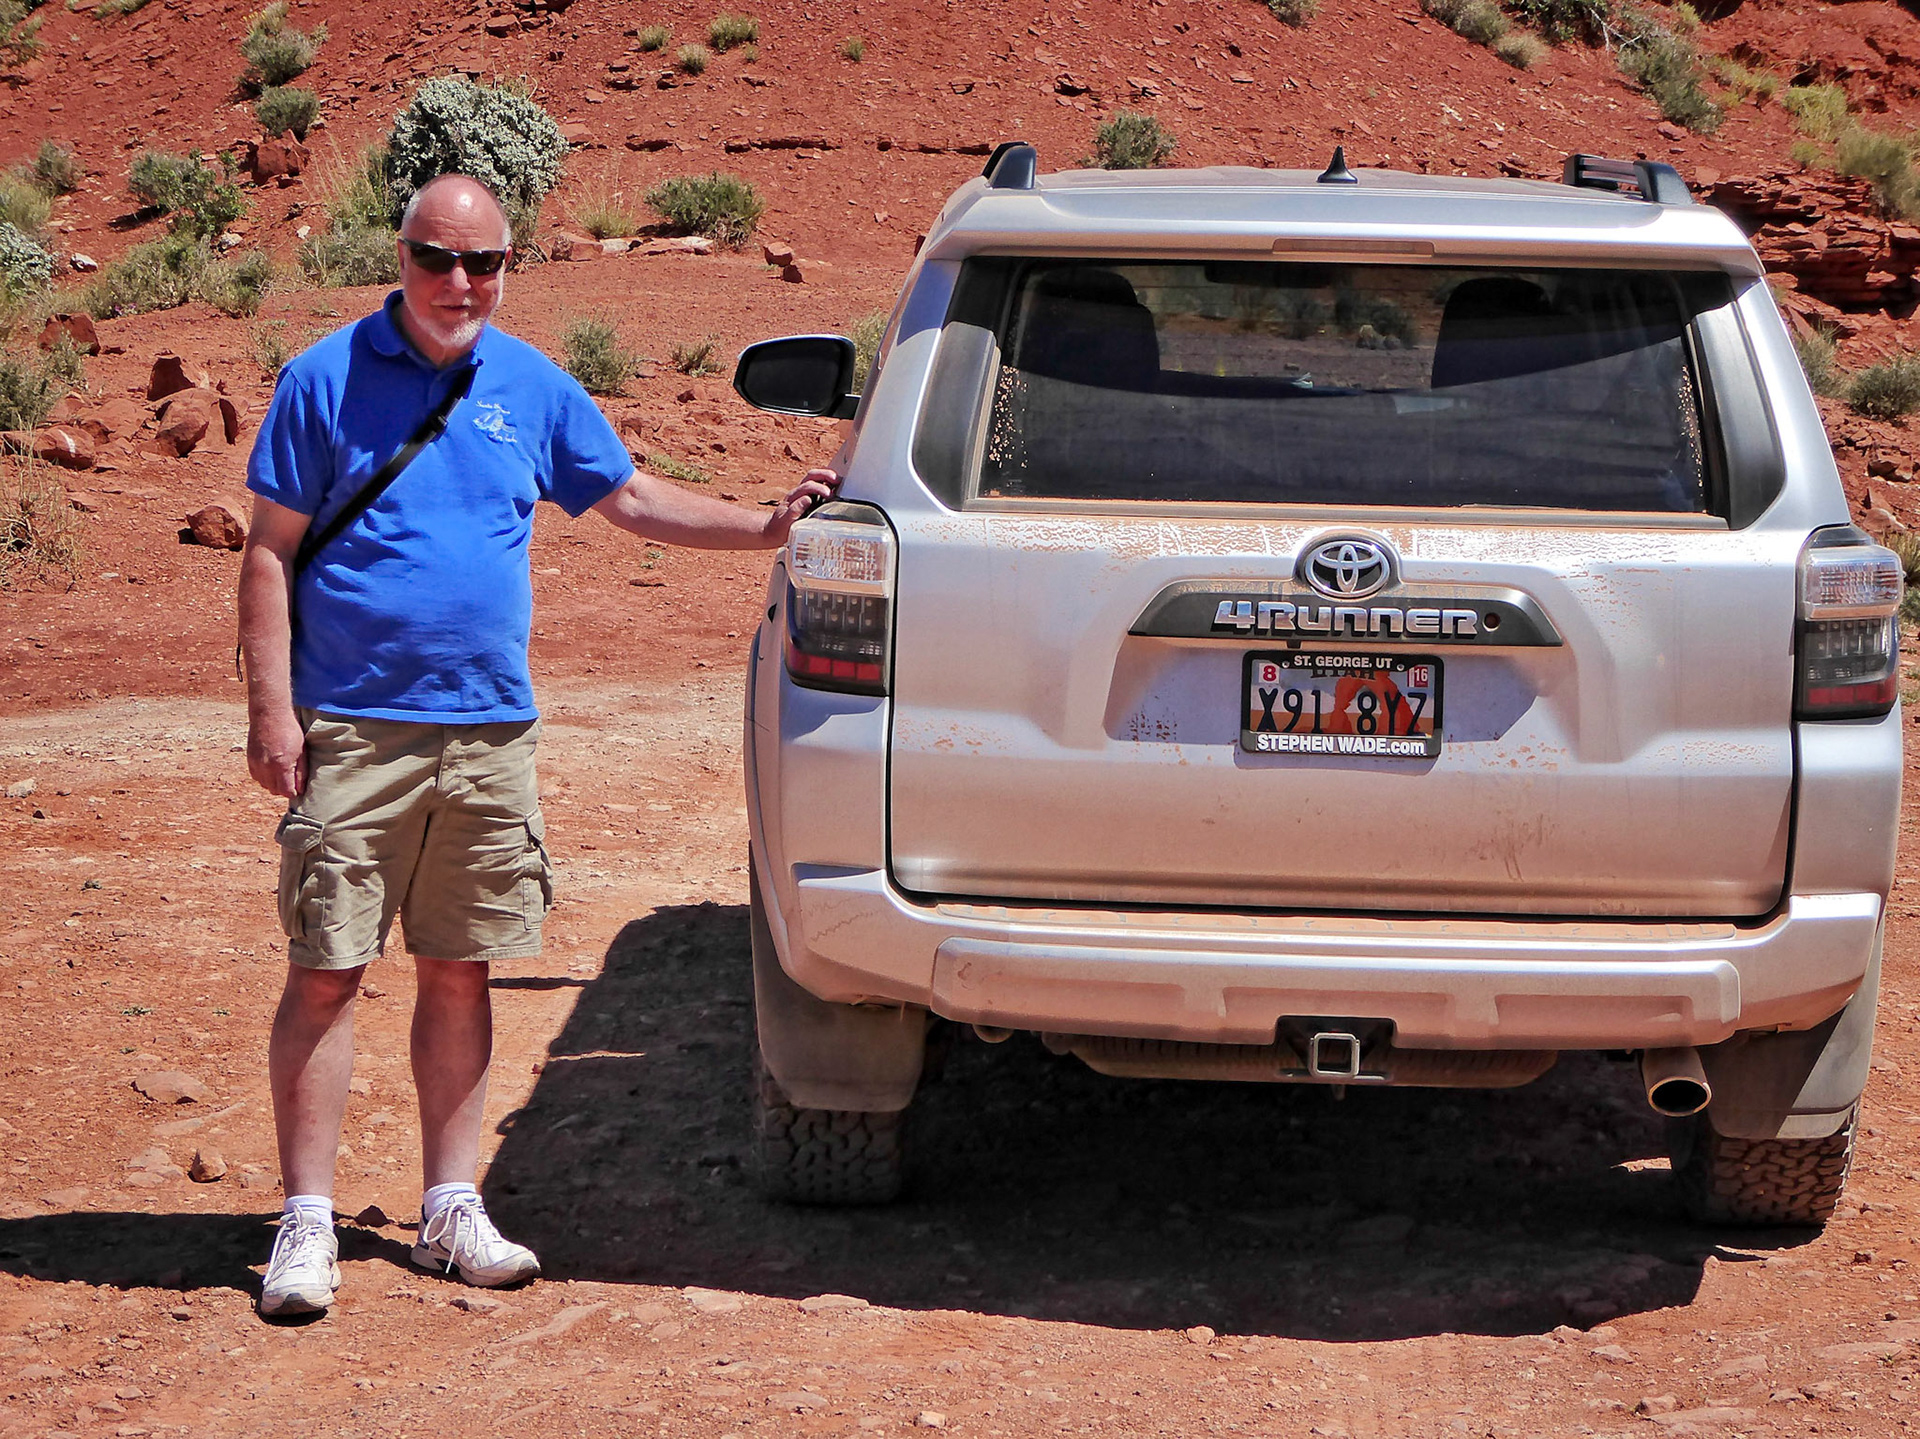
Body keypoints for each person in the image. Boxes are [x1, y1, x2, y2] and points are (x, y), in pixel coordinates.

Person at [237, 173, 836, 1318]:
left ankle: (449, 1204)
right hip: (354, 726)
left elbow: (631, 499)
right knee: (326, 968)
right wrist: (272, 711)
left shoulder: (531, 384)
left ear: (509, 267)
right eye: (435, 257)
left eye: (484, 262)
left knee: (462, 964)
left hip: (488, 728)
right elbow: (268, 549)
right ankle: (306, 1217)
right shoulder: (323, 378)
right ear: (401, 257)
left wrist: (767, 525)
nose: (458, 282)